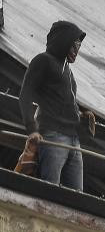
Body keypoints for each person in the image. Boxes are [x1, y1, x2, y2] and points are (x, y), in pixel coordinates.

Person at [19, 21, 95, 191]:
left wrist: (81, 113)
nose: (77, 50)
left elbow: (64, 100)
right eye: (74, 44)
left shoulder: (67, 70)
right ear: (64, 41)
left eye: (79, 45)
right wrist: (31, 129)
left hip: (73, 139)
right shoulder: (43, 60)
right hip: (53, 136)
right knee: (49, 190)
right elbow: (25, 95)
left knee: (77, 196)